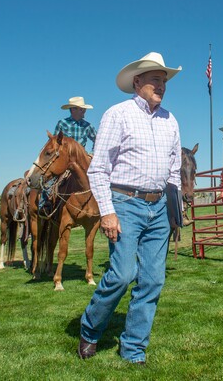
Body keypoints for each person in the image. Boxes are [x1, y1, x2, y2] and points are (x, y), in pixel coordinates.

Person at [78, 51, 182, 365]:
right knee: (123, 275)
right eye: (155, 80)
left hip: (160, 207)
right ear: (137, 82)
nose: (161, 86)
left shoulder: (171, 120)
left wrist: (175, 210)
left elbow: (174, 169)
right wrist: (107, 212)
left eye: (163, 81)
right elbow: (98, 169)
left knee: (152, 280)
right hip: (124, 204)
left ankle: (134, 348)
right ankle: (90, 328)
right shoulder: (118, 114)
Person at [38, 96, 97, 215]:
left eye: (83, 109)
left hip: (81, 161)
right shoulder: (63, 123)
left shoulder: (88, 126)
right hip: (65, 160)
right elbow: (54, 143)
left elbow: (98, 140)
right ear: (73, 109)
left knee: (99, 179)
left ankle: (101, 208)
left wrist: (92, 153)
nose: (84, 111)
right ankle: (44, 204)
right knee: (51, 180)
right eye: (81, 109)